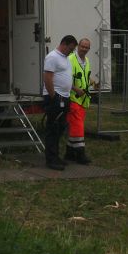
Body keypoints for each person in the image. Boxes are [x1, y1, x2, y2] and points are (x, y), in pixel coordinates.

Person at [42, 35, 77, 170]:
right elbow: (47, 78)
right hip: (56, 98)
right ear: (64, 44)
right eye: (70, 48)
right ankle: (50, 159)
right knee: (53, 128)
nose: (71, 51)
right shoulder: (53, 57)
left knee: (60, 127)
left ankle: (56, 156)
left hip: (65, 97)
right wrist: (53, 96)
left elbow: (65, 77)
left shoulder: (66, 58)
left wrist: (73, 88)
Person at [65, 38, 96, 164]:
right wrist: (75, 88)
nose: (84, 49)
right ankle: (80, 153)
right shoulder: (70, 59)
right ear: (78, 46)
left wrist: (91, 81)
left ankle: (69, 152)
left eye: (86, 47)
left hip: (83, 99)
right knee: (78, 126)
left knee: (75, 126)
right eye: (82, 46)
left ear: (89, 49)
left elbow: (84, 76)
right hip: (73, 98)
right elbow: (65, 77)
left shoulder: (86, 61)